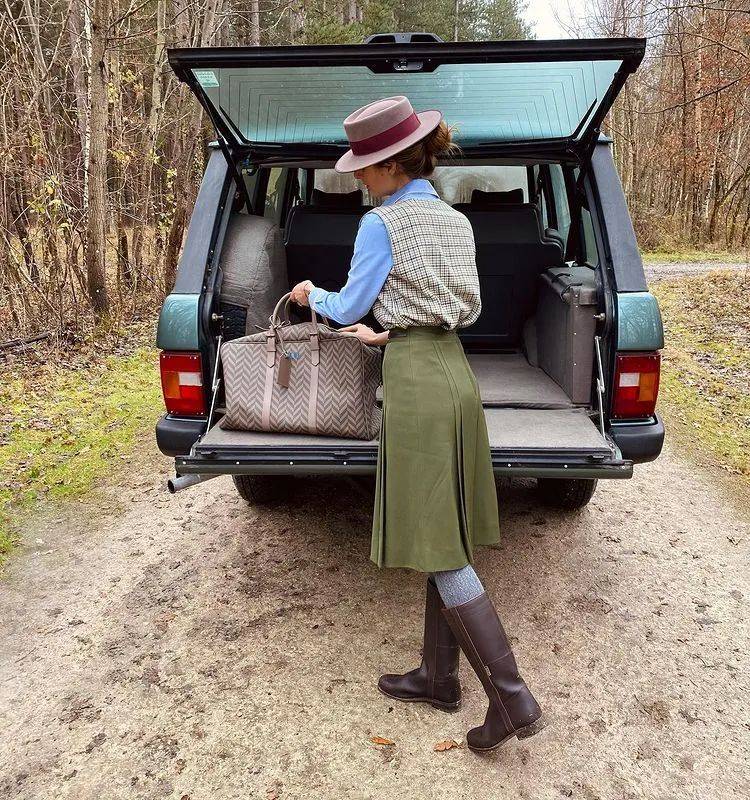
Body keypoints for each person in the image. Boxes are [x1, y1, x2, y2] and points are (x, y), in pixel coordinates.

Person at [289, 95, 544, 753]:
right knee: (443, 526)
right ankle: (438, 676)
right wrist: (393, 332)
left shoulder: (381, 225)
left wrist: (308, 294)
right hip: (453, 373)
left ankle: (512, 699)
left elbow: (346, 302)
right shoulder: (456, 222)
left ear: (394, 163)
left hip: (418, 387)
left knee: (442, 544)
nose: (358, 177)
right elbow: (464, 305)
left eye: (366, 166)